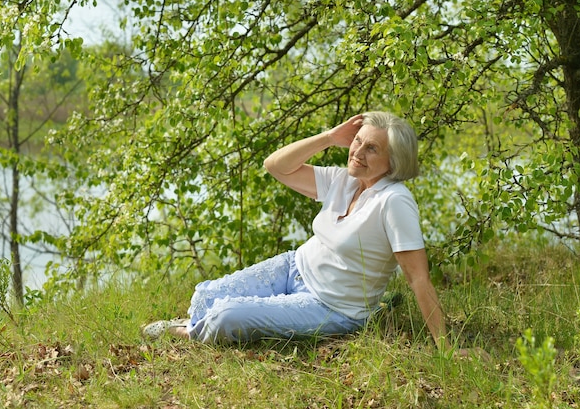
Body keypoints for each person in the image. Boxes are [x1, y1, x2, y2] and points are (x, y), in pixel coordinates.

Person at [142, 111, 449, 349]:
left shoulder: (394, 202)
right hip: (294, 267)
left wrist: (446, 346)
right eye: (358, 141)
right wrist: (329, 137)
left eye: (372, 148)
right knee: (204, 297)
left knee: (225, 317)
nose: (357, 152)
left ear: (392, 161)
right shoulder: (343, 179)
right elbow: (275, 165)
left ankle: (186, 332)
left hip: (330, 306)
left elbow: (417, 276)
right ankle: (199, 319)